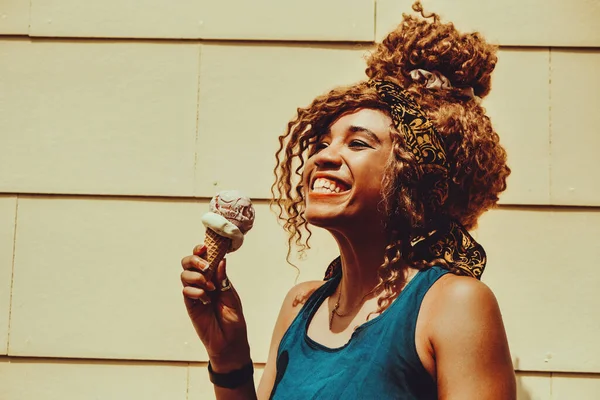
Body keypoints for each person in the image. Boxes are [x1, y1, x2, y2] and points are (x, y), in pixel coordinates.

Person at [180, 2, 516, 399]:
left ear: (413, 177)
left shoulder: (452, 304)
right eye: (322, 143)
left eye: (357, 142)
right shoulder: (299, 305)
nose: (322, 156)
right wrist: (227, 355)